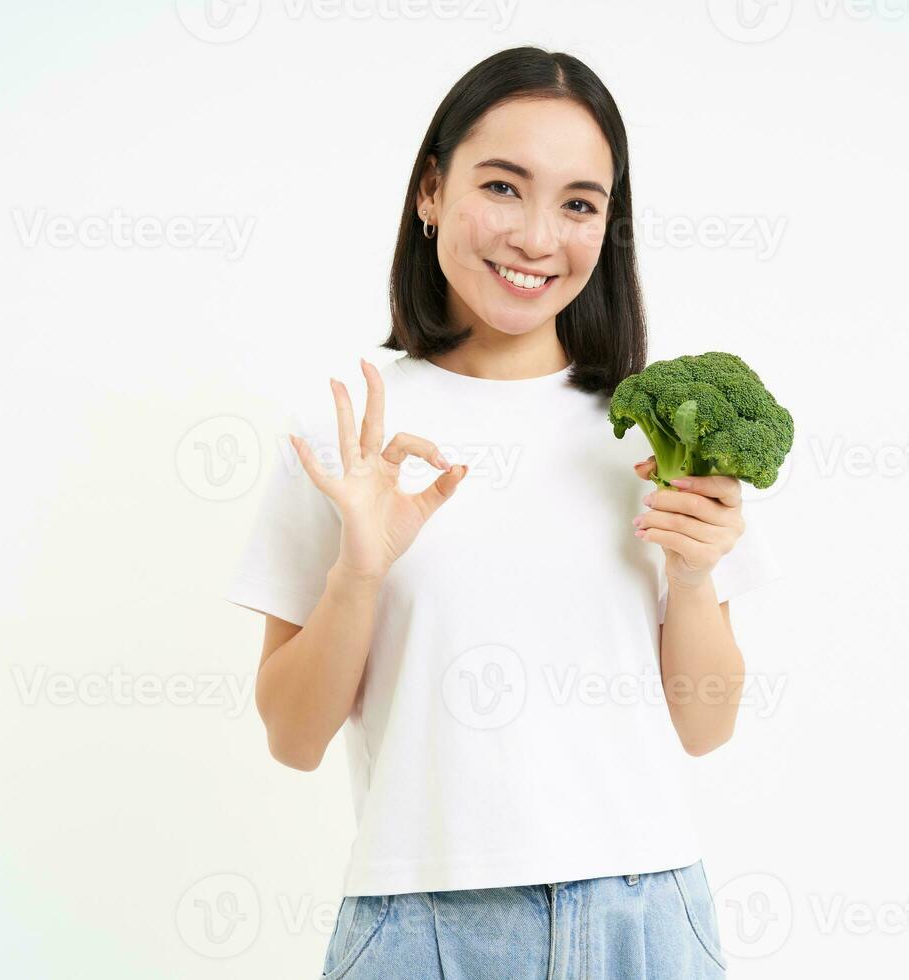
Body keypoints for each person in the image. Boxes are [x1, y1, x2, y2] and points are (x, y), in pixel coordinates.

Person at [225, 45, 783, 980]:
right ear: (431, 192)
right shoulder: (353, 439)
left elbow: (705, 726)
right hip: (421, 927)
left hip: (643, 918)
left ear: (610, 227)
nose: (535, 236)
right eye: (502, 186)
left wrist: (692, 578)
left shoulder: (657, 432)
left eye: (578, 203)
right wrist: (359, 573)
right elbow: (293, 736)